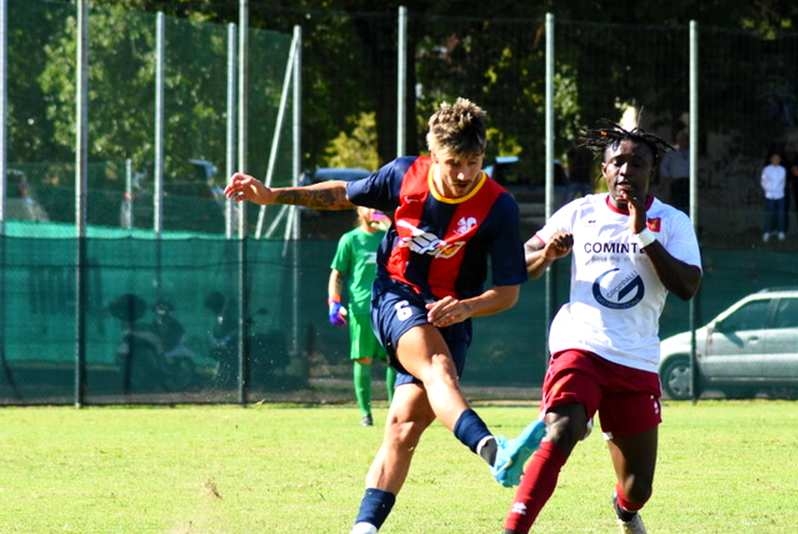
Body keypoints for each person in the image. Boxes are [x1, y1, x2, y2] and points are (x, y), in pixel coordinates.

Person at [225, 98, 544, 534]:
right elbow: (342, 193)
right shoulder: (403, 175)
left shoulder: (498, 206)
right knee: (437, 366)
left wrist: (466, 306)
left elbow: (507, 294)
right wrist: (273, 195)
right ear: (433, 155)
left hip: (452, 315)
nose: (464, 174)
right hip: (396, 295)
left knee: (403, 427)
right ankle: (495, 451)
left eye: (473, 162)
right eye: (454, 163)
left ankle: (364, 528)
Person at [501, 120, 702, 534]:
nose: (626, 170)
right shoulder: (580, 212)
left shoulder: (672, 221)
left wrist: (643, 235)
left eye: (637, 163)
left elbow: (687, 286)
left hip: (636, 358)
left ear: (652, 171)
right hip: (581, 345)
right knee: (561, 430)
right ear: (605, 170)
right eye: (617, 163)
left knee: (638, 487)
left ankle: (624, 510)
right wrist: (547, 255)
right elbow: (520, 262)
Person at [328, 206, 397, 426]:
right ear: (358, 211)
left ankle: (396, 412)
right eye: (367, 206)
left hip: (388, 308)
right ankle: (365, 414)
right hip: (360, 309)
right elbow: (337, 274)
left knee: (395, 360)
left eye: (376, 205)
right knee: (363, 358)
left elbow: (405, 247)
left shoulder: (387, 236)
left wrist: (388, 225)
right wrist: (334, 303)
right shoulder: (350, 239)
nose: (373, 209)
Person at [658, 128, 690, 214]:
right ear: (677, 140)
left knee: (688, 204)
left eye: (685, 139)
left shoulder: (691, 152)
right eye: (681, 139)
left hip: (688, 182)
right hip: (676, 182)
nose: (683, 142)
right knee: (676, 205)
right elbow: (663, 166)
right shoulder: (671, 152)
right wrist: (667, 178)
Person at [760, 152, 786, 242]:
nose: (776, 160)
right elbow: (763, 181)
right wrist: (769, 190)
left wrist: (777, 190)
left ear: (780, 160)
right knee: (769, 214)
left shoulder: (783, 169)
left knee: (781, 214)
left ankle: (781, 232)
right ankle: (767, 232)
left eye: (778, 159)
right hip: (769, 196)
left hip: (780, 196)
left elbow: (782, 183)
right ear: (771, 160)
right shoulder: (766, 169)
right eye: (774, 158)